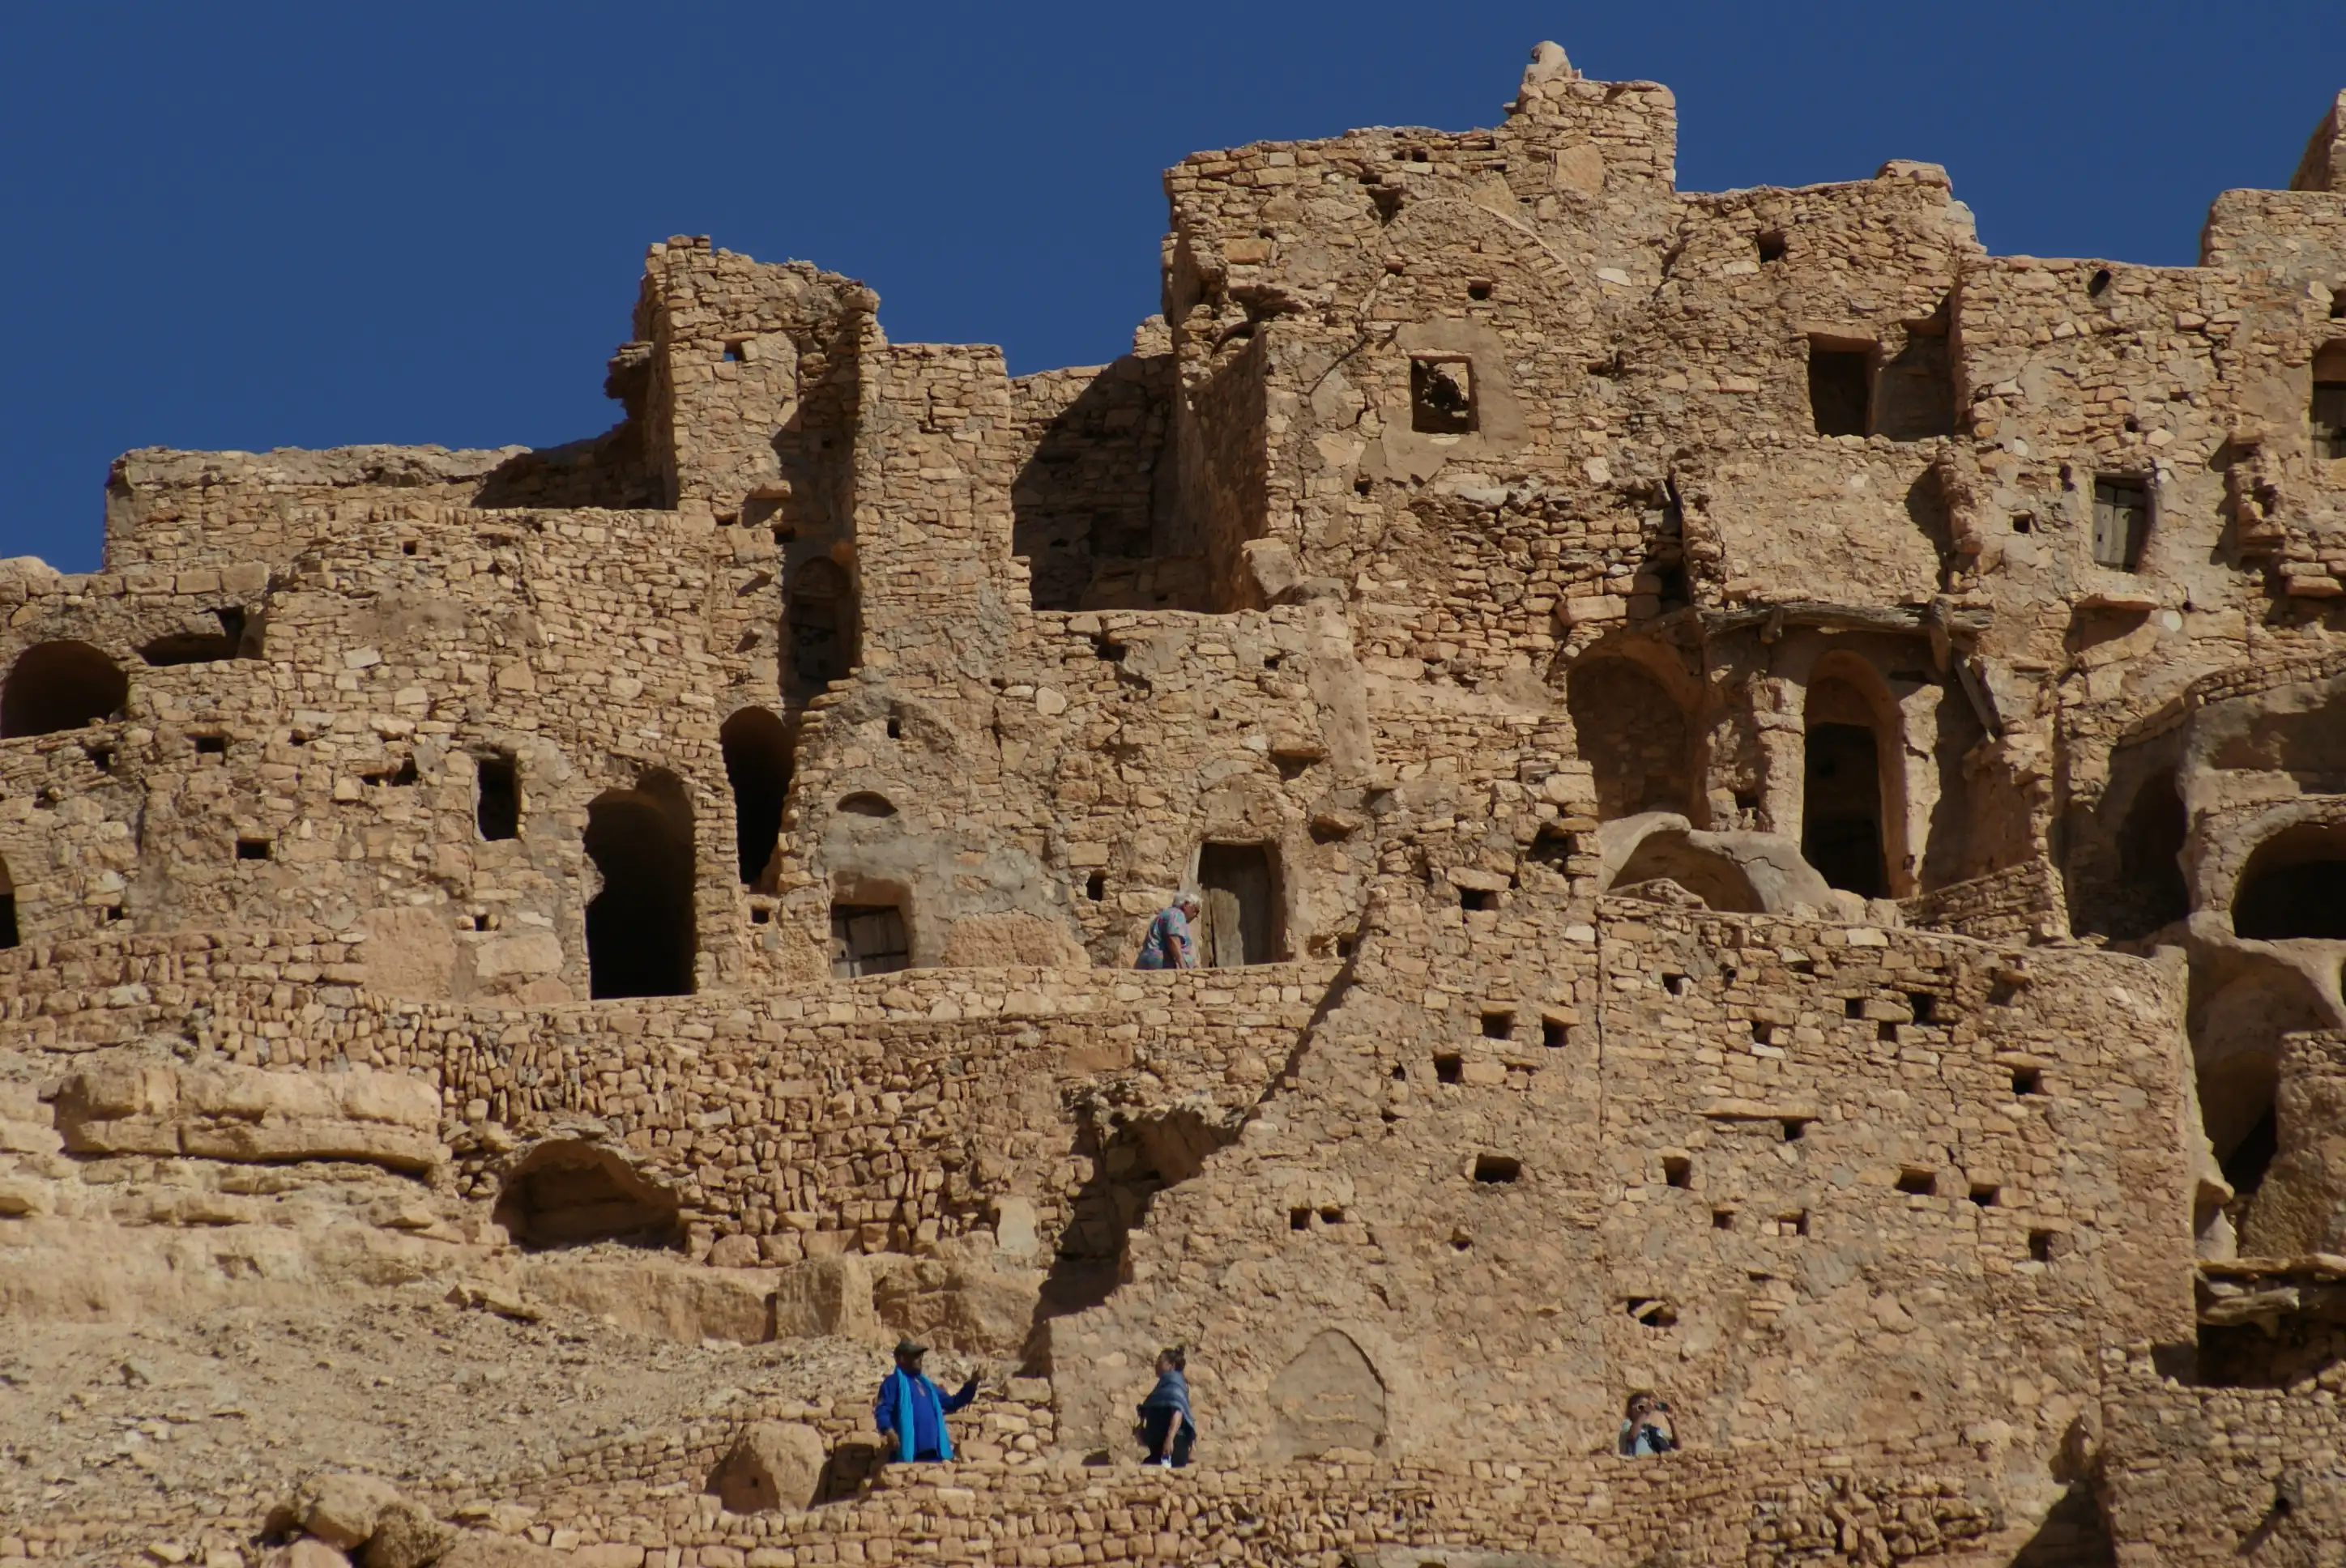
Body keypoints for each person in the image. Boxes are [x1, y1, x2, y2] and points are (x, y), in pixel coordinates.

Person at [873, 1339, 980, 1463]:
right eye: (915, 1355)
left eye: (921, 1355)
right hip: (910, 1453)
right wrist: (889, 1432)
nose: (920, 1358)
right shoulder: (893, 1382)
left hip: (933, 1454)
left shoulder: (927, 1386)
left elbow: (953, 1403)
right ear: (901, 1358)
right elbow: (883, 1410)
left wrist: (973, 1382)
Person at [1137, 1345, 1196, 1468]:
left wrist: (1170, 1439)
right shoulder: (1163, 1385)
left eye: (1160, 1361)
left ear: (1171, 1365)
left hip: (1172, 1448)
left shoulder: (1174, 1383)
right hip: (1159, 1446)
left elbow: (1177, 1411)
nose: (1156, 1364)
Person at [1135, 893, 1200, 970]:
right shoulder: (1177, 915)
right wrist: (1183, 967)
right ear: (1186, 905)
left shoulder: (1167, 913)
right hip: (1162, 964)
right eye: (1196, 910)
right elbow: (1173, 939)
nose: (1196, 915)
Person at [1618, 1390, 1675, 1456]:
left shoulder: (1651, 1429)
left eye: (1647, 1407)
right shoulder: (1627, 1424)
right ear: (1630, 1409)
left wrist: (1672, 1421)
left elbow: (1676, 1445)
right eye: (1641, 1407)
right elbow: (1632, 1435)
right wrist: (1645, 1411)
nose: (1643, 1411)